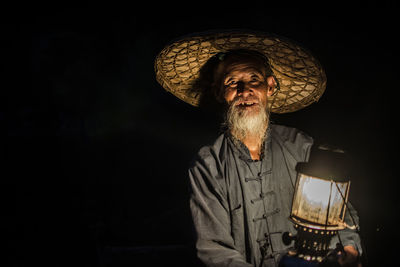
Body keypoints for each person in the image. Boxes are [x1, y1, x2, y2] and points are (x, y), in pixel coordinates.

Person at [155, 31, 362, 267]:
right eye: (232, 82)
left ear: (270, 86)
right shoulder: (208, 165)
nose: (245, 91)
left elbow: (338, 211)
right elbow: (214, 251)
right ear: (219, 93)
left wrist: (349, 247)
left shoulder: (300, 145)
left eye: (254, 79)